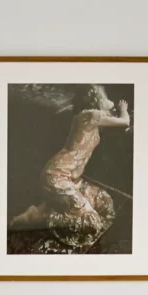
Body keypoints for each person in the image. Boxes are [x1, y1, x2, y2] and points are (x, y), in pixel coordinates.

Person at [10, 86, 130, 251]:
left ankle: (50, 206)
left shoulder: (89, 118)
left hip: (73, 179)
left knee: (105, 202)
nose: (109, 100)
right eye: (105, 96)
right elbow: (125, 121)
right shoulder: (90, 115)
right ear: (97, 99)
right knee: (92, 223)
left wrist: (112, 109)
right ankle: (37, 216)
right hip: (56, 176)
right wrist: (123, 109)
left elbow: (110, 114)